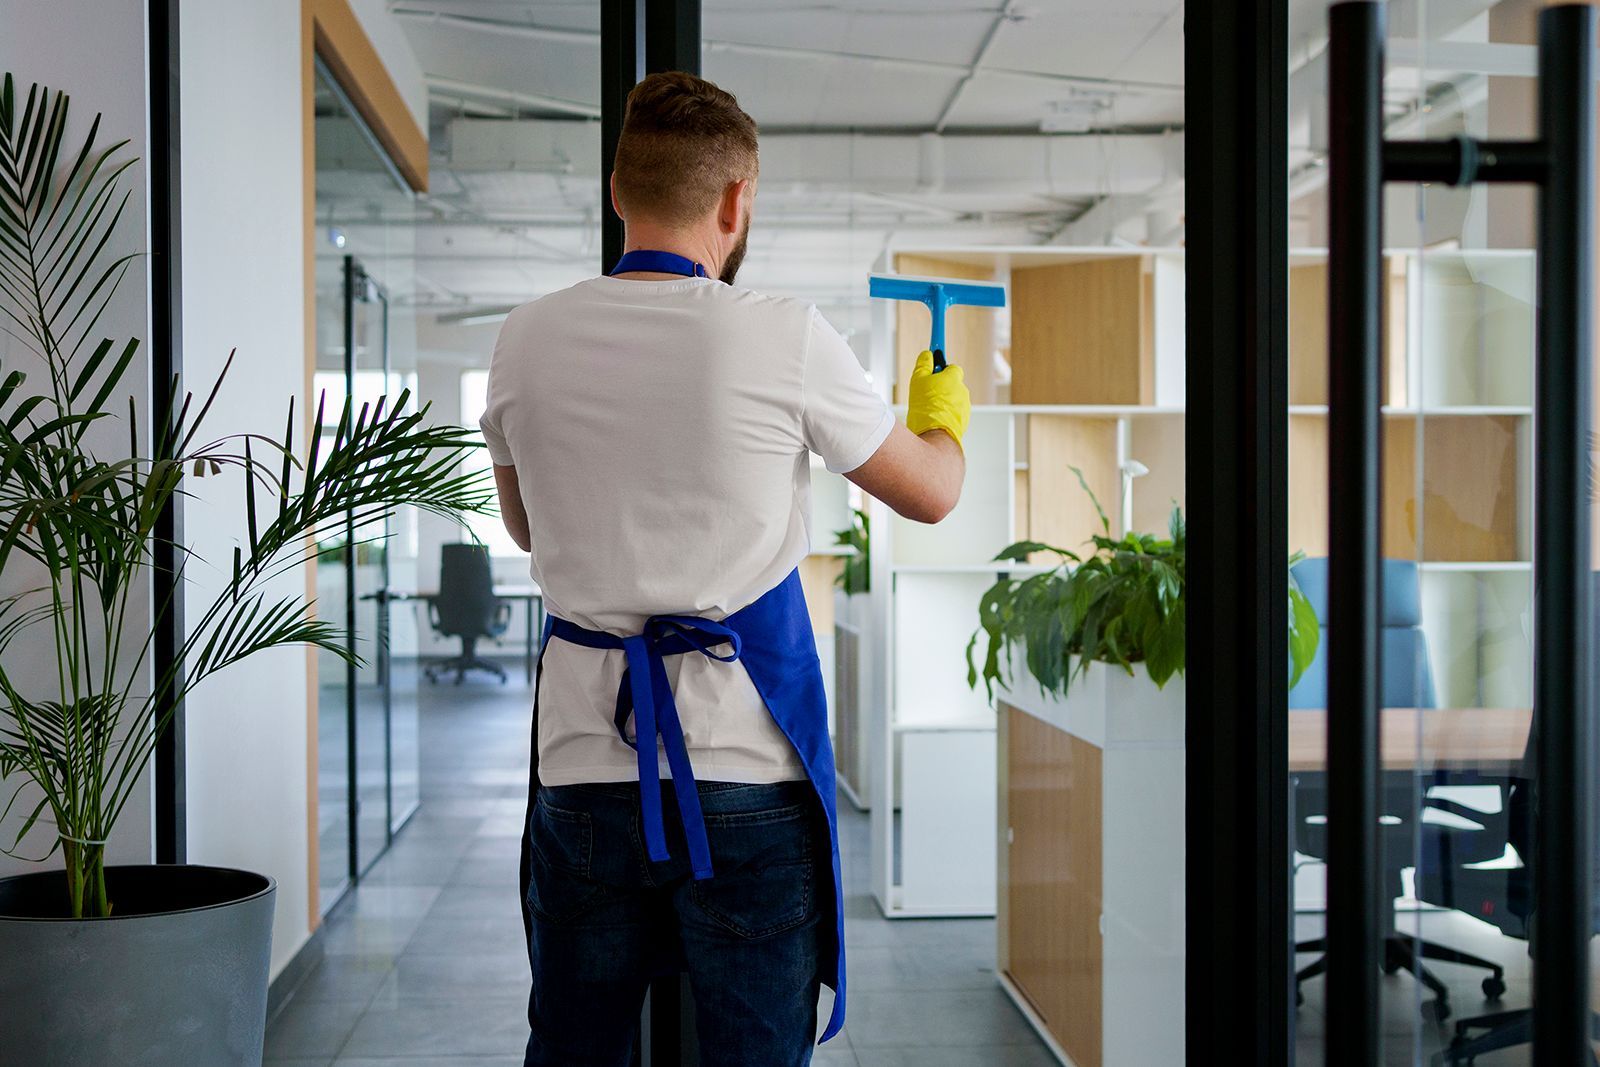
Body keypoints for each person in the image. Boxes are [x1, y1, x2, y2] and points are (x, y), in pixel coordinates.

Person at [481, 70, 970, 1067]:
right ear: (737, 199)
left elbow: (527, 529)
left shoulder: (523, 339)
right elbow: (929, 491)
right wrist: (940, 413)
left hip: (582, 766)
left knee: (575, 1048)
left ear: (618, 190)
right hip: (743, 770)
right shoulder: (782, 333)